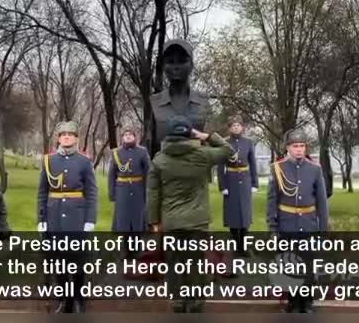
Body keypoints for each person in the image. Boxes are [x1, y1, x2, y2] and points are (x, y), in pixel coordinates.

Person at [148, 115, 234, 313]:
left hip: (171, 221)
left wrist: (154, 221)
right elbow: (229, 151)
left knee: (174, 263)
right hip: (197, 222)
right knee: (195, 263)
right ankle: (195, 303)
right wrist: (207, 135)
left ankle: (178, 302)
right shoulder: (203, 155)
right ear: (189, 134)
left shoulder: (159, 160)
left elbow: (153, 193)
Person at [37, 120, 98, 314]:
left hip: (76, 218)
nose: (66, 137)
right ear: (58, 138)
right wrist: (41, 219)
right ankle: (64, 300)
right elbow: (42, 192)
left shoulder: (84, 161)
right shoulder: (49, 161)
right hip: (54, 217)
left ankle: (79, 298)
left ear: (76, 138)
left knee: (77, 261)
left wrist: (90, 220)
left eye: (70, 134)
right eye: (63, 134)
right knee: (58, 262)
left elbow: (92, 192)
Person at [266, 129, 329, 313]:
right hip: (287, 224)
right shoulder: (278, 168)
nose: (299, 150)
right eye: (295, 146)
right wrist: (273, 228)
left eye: (302, 146)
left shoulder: (315, 169)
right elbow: (272, 201)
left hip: (308, 224)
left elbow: (322, 202)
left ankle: (307, 303)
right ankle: (293, 302)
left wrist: (322, 230)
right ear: (288, 148)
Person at [217, 115, 259, 257]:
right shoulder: (224, 142)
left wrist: (255, 183)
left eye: (238, 125)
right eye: (233, 125)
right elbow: (220, 165)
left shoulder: (248, 142)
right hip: (231, 181)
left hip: (245, 181)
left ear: (242, 127)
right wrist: (222, 186)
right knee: (233, 215)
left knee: (245, 215)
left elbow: (253, 163)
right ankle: (237, 246)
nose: (236, 127)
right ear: (229, 128)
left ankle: (243, 246)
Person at [108, 127, 150, 258]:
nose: (127, 136)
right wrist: (112, 193)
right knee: (123, 222)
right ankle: (125, 251)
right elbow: (111, 174)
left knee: (137, 221)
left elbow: (148, 172)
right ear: (122, 137)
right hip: (122, 191)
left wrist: (147, 191)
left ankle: (137, 250)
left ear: (135, 137)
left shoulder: (142, 152)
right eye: (125, 135)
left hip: (138, 189)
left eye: (130, 134)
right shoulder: (116, 152)